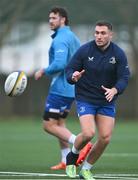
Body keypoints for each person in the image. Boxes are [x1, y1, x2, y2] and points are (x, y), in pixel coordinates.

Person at [65, 21, 130, 179]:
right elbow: (69, 70)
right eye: (97, 32)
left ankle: (86, 169)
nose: (99, 36)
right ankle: (72, 157)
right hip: (85, 97)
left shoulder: (118, 54)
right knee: (88, 133)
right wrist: (73, 76)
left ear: (110, 35)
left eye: (103, 33)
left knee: (105, 138)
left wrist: (115, 90)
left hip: (106, 101)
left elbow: (124, 77)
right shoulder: (85, 50)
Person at [34, 7, 92, 170]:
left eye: (54, 18)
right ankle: (66, 160)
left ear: (63, 19)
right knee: (60, 124)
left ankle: (80, 144)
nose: (50, 21)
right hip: (71, 88)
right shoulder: (72, 37)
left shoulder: (61, 39)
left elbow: (59, 63)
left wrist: (43, 70)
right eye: (49, 18)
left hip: (60, 89)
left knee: (48, 125)